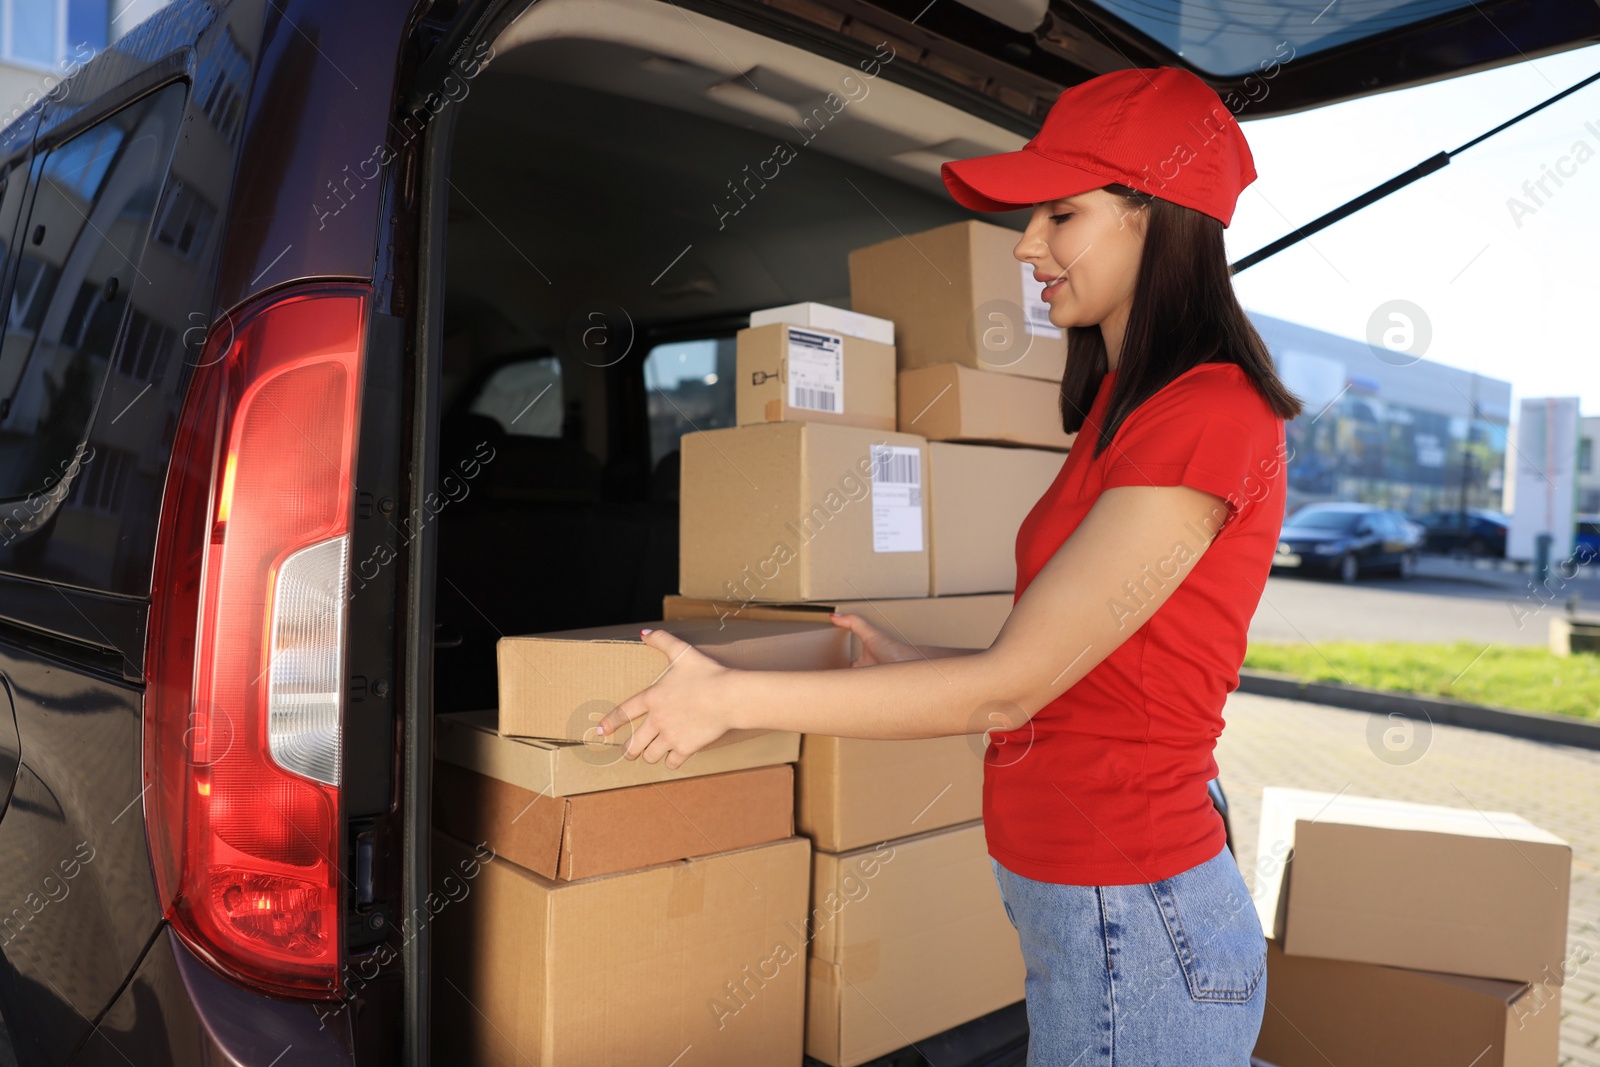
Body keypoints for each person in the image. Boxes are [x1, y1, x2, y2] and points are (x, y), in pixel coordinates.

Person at [596, 65, 1304, 1065]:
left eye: (1060, 214)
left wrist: (730, 698)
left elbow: (1008, 693)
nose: (1027, 245)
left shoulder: (1209, 415)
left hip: (1133, 915)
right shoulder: (1127, 407)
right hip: (1098, 903)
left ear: (1158, 215)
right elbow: (1079, 667)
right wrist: (914, 653)